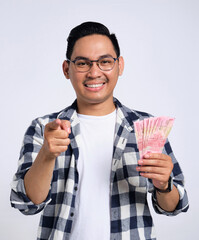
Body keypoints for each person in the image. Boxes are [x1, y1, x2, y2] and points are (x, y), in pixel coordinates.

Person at [10, 21, 189, 240]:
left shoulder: (146, 128)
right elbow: (27, 203)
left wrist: (164, 185)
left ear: (119, 65)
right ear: (67, 69)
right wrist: (47, 155)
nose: (94, 72)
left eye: (105, 62)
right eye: (83, 63)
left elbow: (175, 206)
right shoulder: (44, 128)